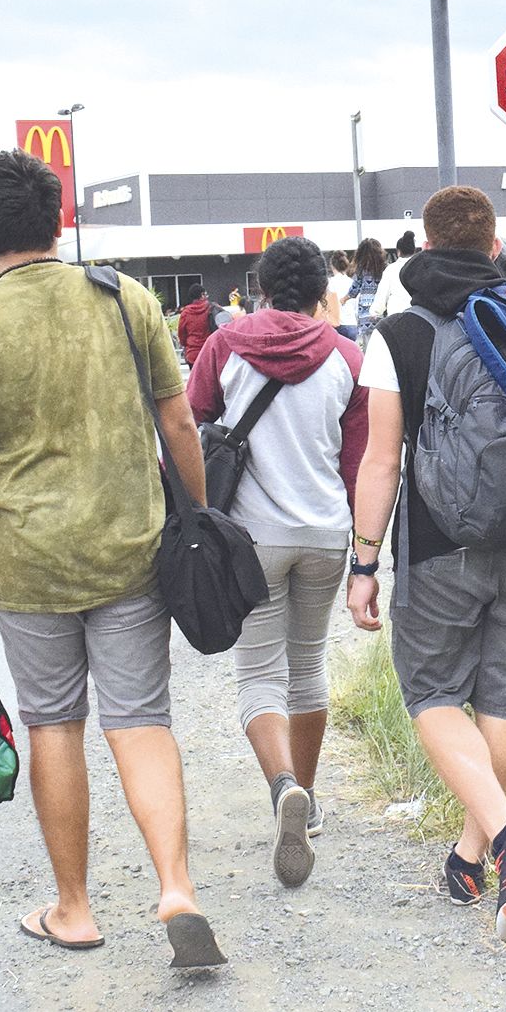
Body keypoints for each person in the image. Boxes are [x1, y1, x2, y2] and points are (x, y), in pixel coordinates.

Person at [0, 150, 225, 969]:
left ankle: (75, 908)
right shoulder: (125, 299)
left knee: (54, 722)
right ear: (57, 222)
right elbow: (180, 425)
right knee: (141, 720)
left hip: (32, 565)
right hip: (130, 551)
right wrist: (194, 518)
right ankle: (175, 888)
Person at [347, 185, 506, 941]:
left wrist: (363, 562)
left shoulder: (399, 332)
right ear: (495, 245)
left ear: (424, 248)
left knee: (431, 692)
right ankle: (471, 858)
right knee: (500, 702)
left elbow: (380, 460)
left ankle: (502, 834)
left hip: (438, 544)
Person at [187, 238, 367, 889]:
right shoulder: (348, 356)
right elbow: (359, 466)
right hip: (326, 534)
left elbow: (189, 427)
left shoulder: (224, 347)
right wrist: (367, 558)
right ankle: (308, 801)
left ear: (260, 285)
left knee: (259, 675)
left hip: (249, 541)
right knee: (308, 665)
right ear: (324, 290)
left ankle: (282, 784)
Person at [374, 230, 420, 320]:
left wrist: (376, 311)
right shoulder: (421, 267)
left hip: (395, 316)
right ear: (414, 251)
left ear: (398, 252)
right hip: (418, 316)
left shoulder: (391, 269)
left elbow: (382, 294)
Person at [348, 238, 387, 343]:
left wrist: (344, 299)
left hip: (365, 313)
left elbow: (354, 290)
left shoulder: (361, 269)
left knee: (367, 344)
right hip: (380, 311)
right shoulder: (384, 269)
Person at [178, 287, 216, 365]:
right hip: (209, 352)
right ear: (202, 295)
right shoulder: (211, 309)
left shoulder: (186, 313)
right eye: (206, 295)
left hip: (192, 354)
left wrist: (186, 345)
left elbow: (181, 333)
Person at [324, 251, 354, 332]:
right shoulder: (352, 282)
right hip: (353, 324)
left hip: (338, 325)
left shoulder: (330, 283)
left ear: (332, 265)